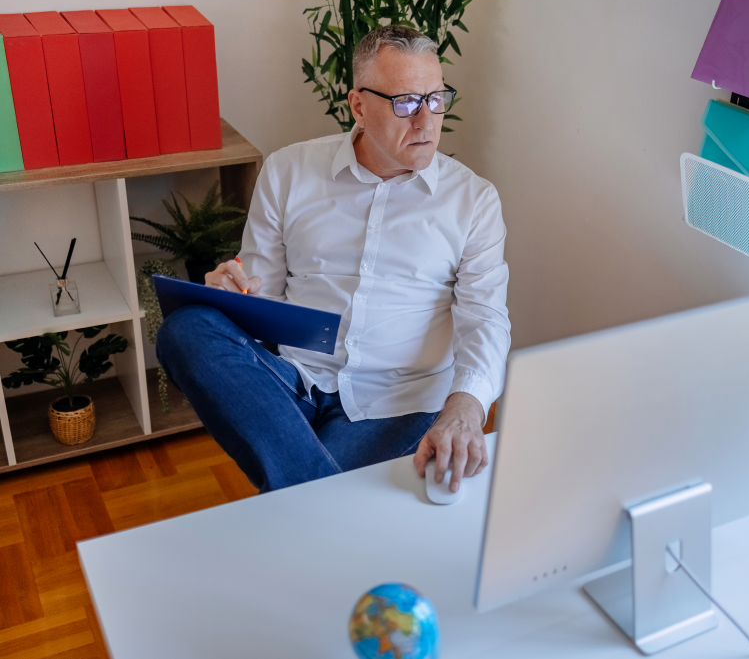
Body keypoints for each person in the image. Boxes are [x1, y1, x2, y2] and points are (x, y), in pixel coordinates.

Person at [156, 26, 510, 494]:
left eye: (437, 98)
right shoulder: (288, 171)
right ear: (359, 105)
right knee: (186, 329)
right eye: (406, 102)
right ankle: (321, 499)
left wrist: (465, 409)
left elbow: (486, 319)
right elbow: (264, 300)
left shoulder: (473, 200)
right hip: (298, 383)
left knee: (303, 490)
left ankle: (306, 497)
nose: (426, 121)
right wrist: (234, 295)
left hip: (399, 400)